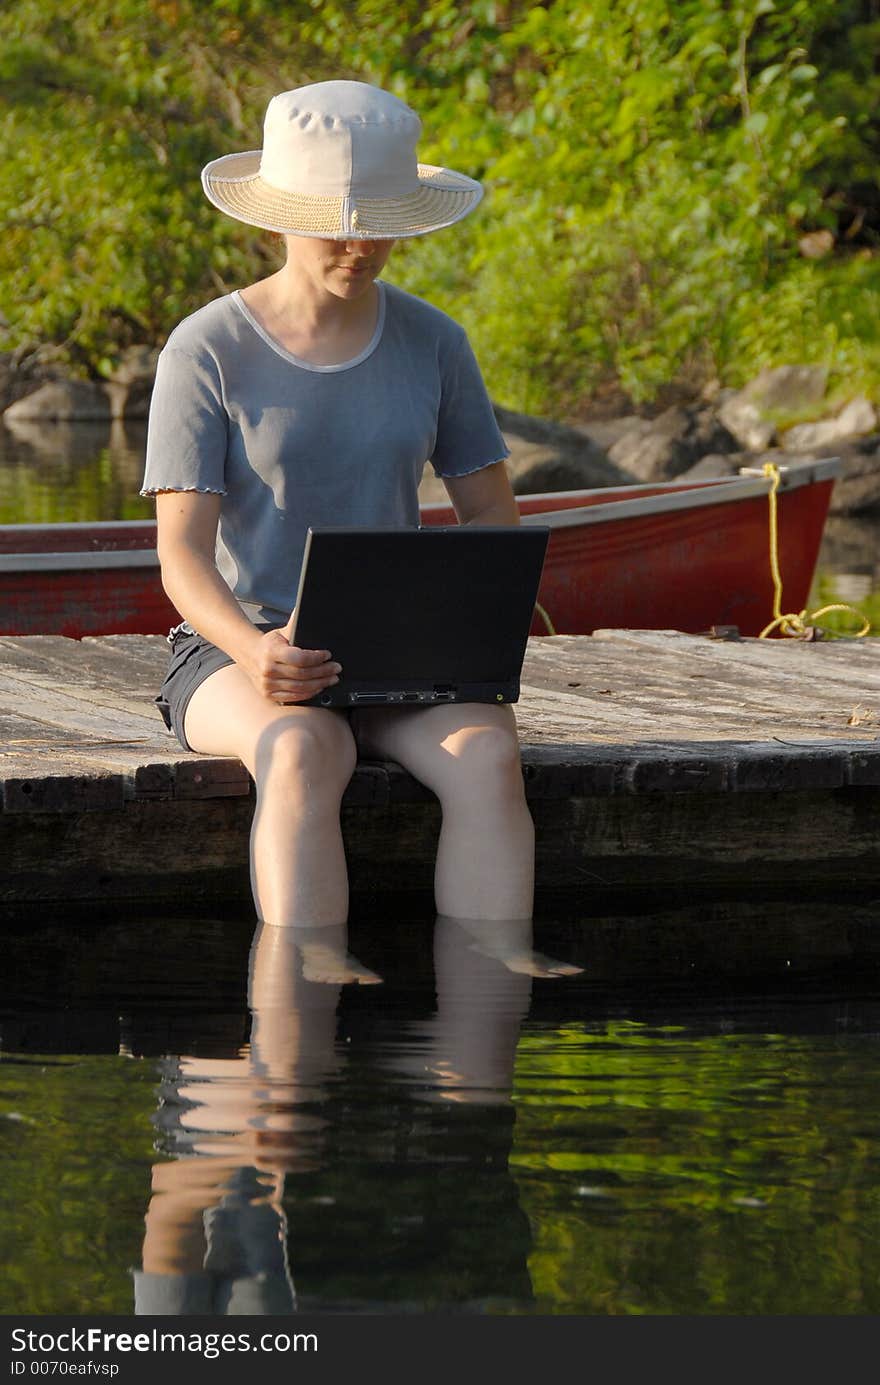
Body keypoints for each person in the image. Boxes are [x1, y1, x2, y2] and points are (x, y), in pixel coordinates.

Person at [142, 79, 537, 932]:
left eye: (382, 223)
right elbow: (182, 556)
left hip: (398, 657)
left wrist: (470, 630)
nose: (360, 244)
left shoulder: (435, 342)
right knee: (300, 748)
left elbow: (494, 526)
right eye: (336, 221)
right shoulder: (206, 348)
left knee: (488, 753)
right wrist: (256, 652)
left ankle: (488, 1015)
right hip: (234, 652)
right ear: (278, 213)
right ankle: (296, 1012)